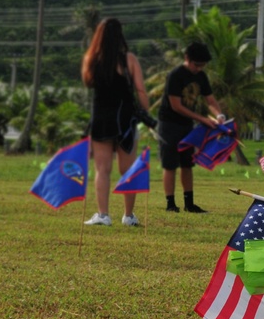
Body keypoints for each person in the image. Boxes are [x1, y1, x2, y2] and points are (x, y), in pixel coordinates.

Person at [81, 18, 151, 227]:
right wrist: (146, 113)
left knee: (102, 169)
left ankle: (103, 215)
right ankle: (128, 216)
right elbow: (140, 89)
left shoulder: (92, 59)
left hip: (102, 119)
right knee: (128, 170)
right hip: (126, 120)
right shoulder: (129, 60)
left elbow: (87, 81)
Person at [157, 41, 227, 213]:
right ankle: (170, 204)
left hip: (187, 125)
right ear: (187, 58)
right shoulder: (175, 75)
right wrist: (202, 119)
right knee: (170, 164)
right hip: (169, 124)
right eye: (196, 65)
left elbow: (210, 100)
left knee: (187, 164)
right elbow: (176, 106)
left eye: (202, 66)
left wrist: (219, 115)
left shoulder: (201, 76)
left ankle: (189, 203)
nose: (199, 69)